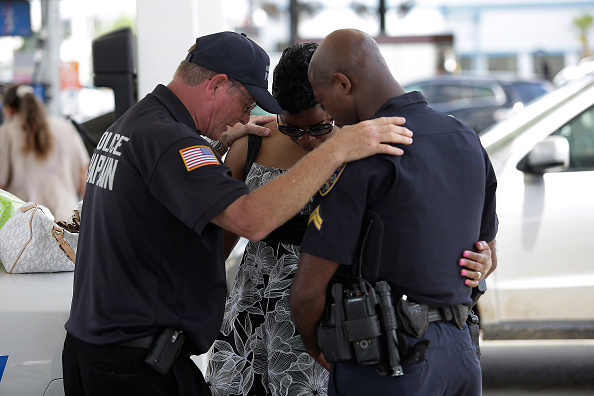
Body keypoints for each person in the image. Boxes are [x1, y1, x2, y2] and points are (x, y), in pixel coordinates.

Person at [61, 31, 414, 396]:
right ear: (216, 85)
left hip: (101, 353)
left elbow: (170, 201)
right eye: (246, 103)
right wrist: (334, 150)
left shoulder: (133, 125)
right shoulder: (171, 141)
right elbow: (250, 220)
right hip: (134, 366)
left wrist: (213, 151)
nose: (247, 116)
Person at [206, 42, 494, 395]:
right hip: (260, 314)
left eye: (322, 124)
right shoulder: (252, 142)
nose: (309, 141)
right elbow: (216, 245)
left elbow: (469, 235)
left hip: (349, 319)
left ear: (338, 92)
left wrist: (482, 258)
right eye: (293, 129)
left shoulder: (366, 146)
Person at [290, 29, 498, 396]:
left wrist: (315, 344)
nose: (331, 118)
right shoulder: (465, 138)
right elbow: (487, 255)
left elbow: (308, 290)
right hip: (462, 356)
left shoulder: (362, 155)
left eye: (324, 101)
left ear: (343, 83)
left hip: (389, 361)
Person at [0, 84, 89, 220]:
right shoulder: (65, 128)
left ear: (9, 109)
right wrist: (87, 213)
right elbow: (84, 172)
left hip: (25, 223)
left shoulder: (5, 133)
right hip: (66, 218)